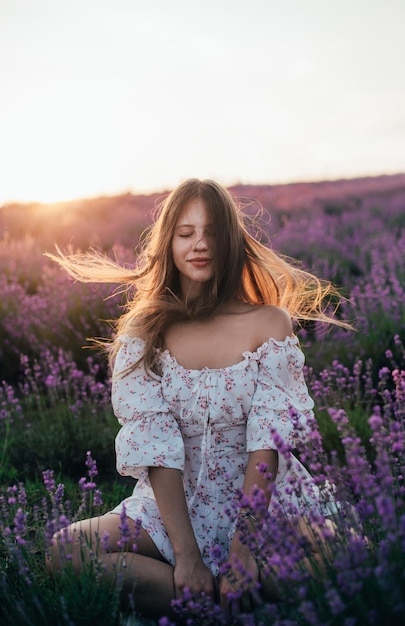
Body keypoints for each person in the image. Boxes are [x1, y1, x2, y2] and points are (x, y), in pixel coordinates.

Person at [46, 178, 349, 620]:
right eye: (186, 233)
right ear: (167, 243)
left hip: (264, 502)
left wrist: (244, 550)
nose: (199, 245)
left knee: (344, 552)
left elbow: (268, 442)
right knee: (66, 552)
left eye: (211, 233)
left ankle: (212, 598)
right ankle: (216, 603)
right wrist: (187, 556)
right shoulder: (142, 334)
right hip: (172, 506)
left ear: (231, 241)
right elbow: (157, 449)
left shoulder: (269, 324)